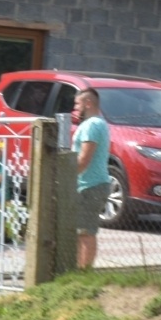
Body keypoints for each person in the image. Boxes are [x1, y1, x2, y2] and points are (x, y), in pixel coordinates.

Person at [72, 86, 111, 269]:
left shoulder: (92, 125)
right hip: (90, 185)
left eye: (77, 104)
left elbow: (84, 159)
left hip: (90, 186)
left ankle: (84, 273)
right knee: (81, 232)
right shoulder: (97, 123)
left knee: (86, 232)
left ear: (88, 103)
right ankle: (79, 270)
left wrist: (66, 178)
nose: (75, 108)